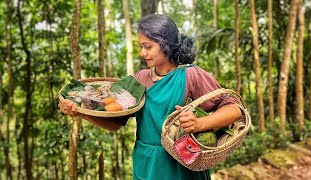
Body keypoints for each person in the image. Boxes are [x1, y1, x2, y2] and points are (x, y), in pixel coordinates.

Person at [59, 14, 241, 180]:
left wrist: (200, 124)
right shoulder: (140, 79)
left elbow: (234, 110)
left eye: (148, 47)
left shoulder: (191, 75)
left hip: (181, 164)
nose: (142, 53)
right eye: (140, 46)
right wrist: (81, 112)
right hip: (145, 164)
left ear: (166, 45)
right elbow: (115, 123)